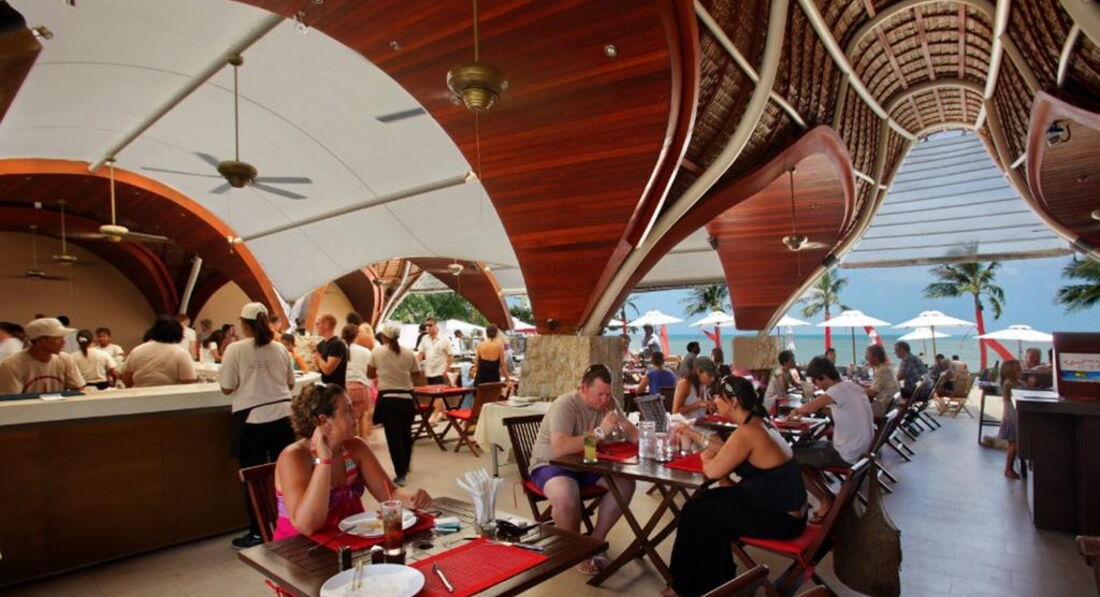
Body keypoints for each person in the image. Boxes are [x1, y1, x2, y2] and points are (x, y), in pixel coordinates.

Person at [666, 376, 808, 597]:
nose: (714, 401)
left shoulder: (748, 432)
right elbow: (727, 449)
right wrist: (692, 434)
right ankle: (715, 582)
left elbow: (713, 471)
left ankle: (686, 588)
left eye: (718, 397)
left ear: (732, 401)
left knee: (696, 512)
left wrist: (705, 457)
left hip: (780, 519)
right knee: (704, 505)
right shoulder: (759, 423)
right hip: (786, 510)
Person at [273, 383, 431, 539]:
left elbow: (389, 495)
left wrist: (412, 500)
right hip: (299, 548)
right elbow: (307, 526)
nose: (357, 414)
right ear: (324, 421)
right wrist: (324, 461)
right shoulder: (294, 457)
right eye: (348, 409)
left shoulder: (356, 447)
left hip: (347, 542)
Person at [528, 364, 638, 575]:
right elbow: (560, 448)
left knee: (625, 483)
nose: (604, 400)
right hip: (551, 464)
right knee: (566, 494)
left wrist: (652, 441)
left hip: (587, 462)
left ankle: (595, 541)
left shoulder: (609, 402)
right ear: (583, 388)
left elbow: (629, 430)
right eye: (600, 395)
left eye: (608, 394)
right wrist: (600, 432)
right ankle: (576, 549)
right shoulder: (565, 405)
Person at [219, 303, 297, 549]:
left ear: (244, 324)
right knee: (289, 472)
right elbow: (291, 383)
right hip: (284, 416)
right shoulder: (280, 348)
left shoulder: (235, 349)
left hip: (252, 419)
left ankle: (258, 532)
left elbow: (226, 387)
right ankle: (293, 523)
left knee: (254, 478)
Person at [790, 356, 874, 522]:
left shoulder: (836, 390)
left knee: (790, 458)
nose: (816, 385)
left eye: (816, 381)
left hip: (846, 454)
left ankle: (825, 500)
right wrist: (821, 410)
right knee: (802, 448)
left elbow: (808, 407)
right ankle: (826, 494)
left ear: (824, 377)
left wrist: (795, 413)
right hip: (861, 450)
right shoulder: (851, 386)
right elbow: (842, 409)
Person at [368, 321, 422, 487]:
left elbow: (370, 373)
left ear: (384, 336)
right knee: (406, 434)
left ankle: (401, 473)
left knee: (393, 437)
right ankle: (405, 463)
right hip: (406, 398)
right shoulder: (409, 353)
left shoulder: (377, 351)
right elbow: (417, 374)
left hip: (387, 399)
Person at [0, 318, 84, 395]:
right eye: (58, 338)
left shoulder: (65, 359)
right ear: (40, 340)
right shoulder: (12, 365)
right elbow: (10, 401)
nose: (64, 342)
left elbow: (78, 389)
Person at [120, 315, 197, 387]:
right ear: (179, 333)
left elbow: (127, 379)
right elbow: (189, 382)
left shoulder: (137, 350)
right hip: (169, 394)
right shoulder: (181, 353)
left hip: (140, 393)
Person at [341, 323, 374, 437]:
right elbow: (371, 371)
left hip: (345, 387)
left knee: (347, 418)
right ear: (356, 336)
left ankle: (349, 443)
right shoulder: (366, 351)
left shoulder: (340, 350)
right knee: (362, 417)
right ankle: (363, 443)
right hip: (362, 386)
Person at [998, 360, 1023, 479]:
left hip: (1012, 415)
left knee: (1013, 443)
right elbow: (1019, 393)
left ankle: (1009, 468)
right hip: (1012, 416)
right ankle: (1008, 469)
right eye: (1018, 369)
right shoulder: (1009, 383)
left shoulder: (1012, 382)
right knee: (1014, 444)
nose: (1021, 371)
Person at [672, 357, 717, 421]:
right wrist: (697, 405)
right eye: (709, 375)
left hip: (700, 424)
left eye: (713, 376)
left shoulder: (703, 385)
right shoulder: (684, 384)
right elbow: (675, 412)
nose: (712, 379)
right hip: (685, 424)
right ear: (698, 371)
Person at [312, 314, 348, 388]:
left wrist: (318, 358)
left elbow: (327, 370)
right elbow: (317, 368)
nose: (316, 327)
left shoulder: (337, 344)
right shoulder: (320, 345)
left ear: (326, 324)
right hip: (322, 387)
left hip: (334, 390)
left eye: (318, 324)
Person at [864, 344, 900, 417]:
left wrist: (854, 388)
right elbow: (876, 388)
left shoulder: (882, 370)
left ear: (876, 357)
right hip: (892, 406)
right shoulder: (886, 367)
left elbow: (872, 393)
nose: (866, 358)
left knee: (854, 409)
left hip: (884, 408)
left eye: (868, 355)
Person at [763, 350, 797, 414]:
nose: (794, 362)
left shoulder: (788, 371)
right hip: (772, 401)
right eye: (792, 360)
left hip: (780, 398)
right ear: (785, 363)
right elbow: (783, 389)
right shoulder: (779, 373)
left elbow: (795, 384)